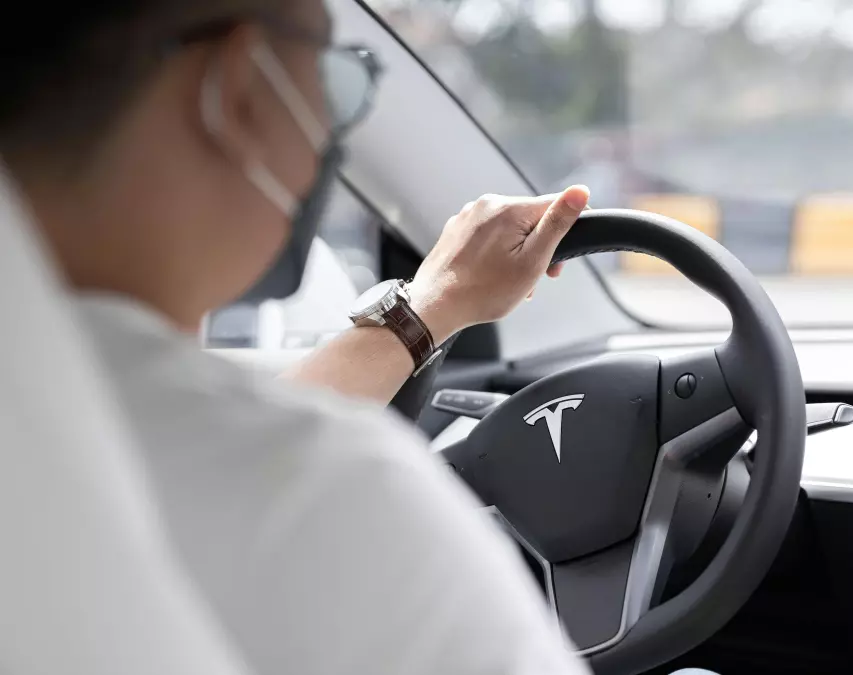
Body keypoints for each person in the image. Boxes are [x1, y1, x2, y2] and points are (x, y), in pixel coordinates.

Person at [1, 1, 593, 674]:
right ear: (242, 90)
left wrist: (433, 305)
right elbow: (248, 460)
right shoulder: (338, 502)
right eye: (333, 74)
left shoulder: (52, 405)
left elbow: (201, 442)